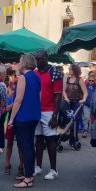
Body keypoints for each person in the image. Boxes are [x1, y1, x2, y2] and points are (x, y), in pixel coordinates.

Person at [8, 53, 41, 188]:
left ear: (25, 62)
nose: (18, 63)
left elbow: (18, 99)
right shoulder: (36, 77)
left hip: (23, 116)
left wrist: (11, 119)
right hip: (34, 115)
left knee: (25, 146)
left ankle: (28, 178)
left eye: (20, 61)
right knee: (28, 145)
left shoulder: (22, 78)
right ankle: (29, 173)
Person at [34, 50, 63, 180]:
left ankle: (54, 169)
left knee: (50, 140)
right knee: (38, 139)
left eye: (39, 59)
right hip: (36, 110)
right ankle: (38, 166)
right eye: (36, 59)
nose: (37, 61)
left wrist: (54, 116)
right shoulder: (35, 72)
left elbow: (58, 96)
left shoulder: (55, 72)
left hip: (49, 111)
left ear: (46, 58)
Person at [62, 63, 87, 145]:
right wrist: (65, 98)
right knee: (68, 119)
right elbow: (63, 91)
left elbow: (85, 92)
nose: (69, 70)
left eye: (70, 69)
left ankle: (74, 139)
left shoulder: (79, 80)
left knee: (75, 120)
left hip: (77, 102)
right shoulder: (67, 79)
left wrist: (83, 99)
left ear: (74, 70)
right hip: (68, 102)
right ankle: (68, 136)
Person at [82, 73, 96, 137]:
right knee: (86, 117)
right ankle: (85, 130)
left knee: (94, 118)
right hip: (86, 104)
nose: (91, 82)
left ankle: (93, 130)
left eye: (92, 80)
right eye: (90, 80)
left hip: (94, 105)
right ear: (88, 80)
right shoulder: (85, 86)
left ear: (94, 81)